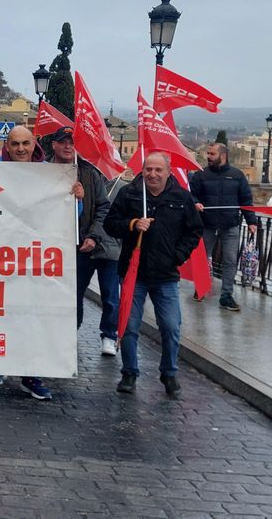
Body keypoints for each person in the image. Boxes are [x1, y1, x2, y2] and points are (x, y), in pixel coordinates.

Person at [104, 152, 203, 398]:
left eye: (158, 170)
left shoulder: (182, 198)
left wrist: (177, 256)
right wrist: (133, 224)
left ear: (168, 172)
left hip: (166, 275)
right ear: (143, 170)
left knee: (170, 327)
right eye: (148, 169)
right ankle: (129, 373)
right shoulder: (130, 193)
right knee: (128, 326)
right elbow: (110, 223)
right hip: (132, 273)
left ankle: (169, 373)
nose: (152, 174)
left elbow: (194, 231)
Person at [0, 125, 69, 400]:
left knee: (34, 317)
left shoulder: (50, 175)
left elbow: (69, 216)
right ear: (7, 146)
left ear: (35, 145)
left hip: (36, 260)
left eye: (25, 143)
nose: (21, 149)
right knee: (1, 313)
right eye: (15, 144)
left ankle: (31, 375)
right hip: (0, 257)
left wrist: (75, 197)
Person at [48, 126, 119, 357]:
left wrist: (93, 236)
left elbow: (103, 207)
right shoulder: (43, 171)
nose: (68, 146)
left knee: (110, 295)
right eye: (63, 141)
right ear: (54, 145)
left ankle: (109, 334)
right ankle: (70, 333)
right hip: (71, 246)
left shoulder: (89, 173)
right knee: (73, 294)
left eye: (72, 142)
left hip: (101, 245)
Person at [189, 142, 258, 312]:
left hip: (230, 225)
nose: (208, 157)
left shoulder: (237, 175)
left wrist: (251, 221)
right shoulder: (201, 175)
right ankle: (200, 288)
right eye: (208, 153)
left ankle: (226, 295)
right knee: (202, 258)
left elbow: (246, 200)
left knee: (230, 260)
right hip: (207, 224)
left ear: (223, 155)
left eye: (212, 154)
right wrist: (196, 203)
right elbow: (191, 194)